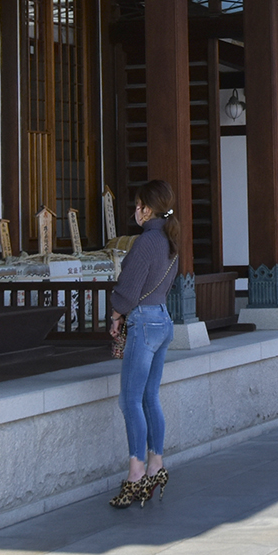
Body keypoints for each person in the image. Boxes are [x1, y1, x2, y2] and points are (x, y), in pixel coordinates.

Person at [106, 180, 179, 509]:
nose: (135, 211)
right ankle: (156, 465)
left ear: (147, 209)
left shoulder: (146, 241)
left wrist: (115, 314)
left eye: (138, 205)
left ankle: (135, 473)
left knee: (129, 400)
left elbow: (129, 288)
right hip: (163, 319)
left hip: (144, 322)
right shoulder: (169, 239)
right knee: (150, 397)